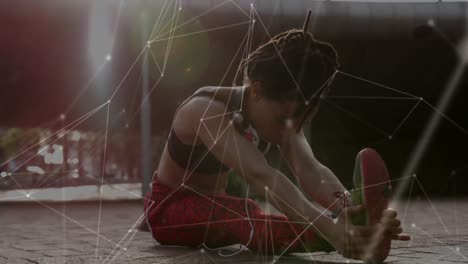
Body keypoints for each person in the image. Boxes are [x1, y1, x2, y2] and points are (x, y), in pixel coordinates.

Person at [143, 12, 410, 262]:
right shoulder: (204, 111)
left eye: (296, 123)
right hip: (168, 214)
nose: (288, 132)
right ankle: (352, 240)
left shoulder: (278, 114)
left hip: (215, 208)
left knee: (239, 211)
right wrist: (333, 231)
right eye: (283, 120)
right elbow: (263, 176)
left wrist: (349, 209)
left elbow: (312, 171)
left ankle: (359, 232)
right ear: (256, 90)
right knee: (243, 213)